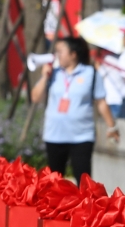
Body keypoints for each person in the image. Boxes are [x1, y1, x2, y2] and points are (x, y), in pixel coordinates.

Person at [31, 35, 120, 178]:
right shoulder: (54, 74)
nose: (57, 55)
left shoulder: (91, 74)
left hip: (81, 136)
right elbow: (35, 97)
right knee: (54, 182)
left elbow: (101, 102)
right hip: (54, 135)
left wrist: (111, 126)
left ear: (73, 54)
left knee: (83, 180)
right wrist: (44, 76)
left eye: (60, 51)